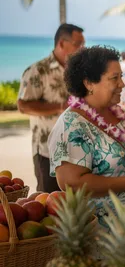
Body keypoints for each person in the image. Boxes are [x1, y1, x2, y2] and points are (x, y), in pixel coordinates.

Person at [48, 46, 125, 234]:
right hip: (99, 235)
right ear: (89, 83)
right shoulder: (73, 125)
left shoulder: (117, 113)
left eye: (121, 76)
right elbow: (72, 183)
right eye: (114, 78)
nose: (122, 84)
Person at [18, 23, 85, 193]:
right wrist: (60, 107)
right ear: (62, 43)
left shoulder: (80, 71)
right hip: (47, 151)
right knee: (49, 203)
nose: (82, 49)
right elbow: (23, 105)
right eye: (78, 44)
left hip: (78, 150)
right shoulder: (37, 71)